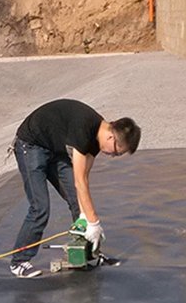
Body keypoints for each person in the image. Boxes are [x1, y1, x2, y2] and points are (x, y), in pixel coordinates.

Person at [9, 98, 141, 278]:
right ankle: (19, 262)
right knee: (40, 207)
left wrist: (86, 217)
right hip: (31, 146)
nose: (113, 156)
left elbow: (83, 178)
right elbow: (79, 180)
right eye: (117, 151)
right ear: (111, 137)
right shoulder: (84, 128)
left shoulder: (97, 139)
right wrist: (94, 222)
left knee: (80, 206)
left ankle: (87, 253)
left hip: (54, 150)